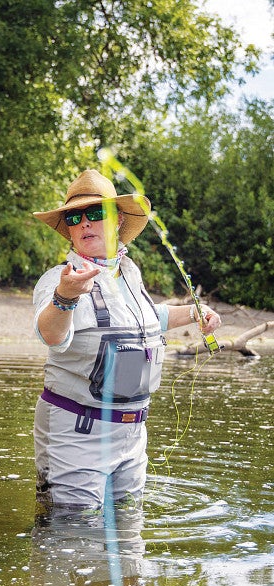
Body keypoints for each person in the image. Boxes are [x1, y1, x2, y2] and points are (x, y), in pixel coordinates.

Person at [31, 168, 221, 511]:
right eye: (75, 217)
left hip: (133, 435)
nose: (85, 222)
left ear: (117, 220)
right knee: (68, 537)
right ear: (69, 229)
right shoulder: (58, 280)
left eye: (96, 213)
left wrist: (194, 312)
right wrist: (66, 296)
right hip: (77, 433)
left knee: (129, 536)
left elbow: (150, 318)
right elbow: (52, 334)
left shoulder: (129, 272)